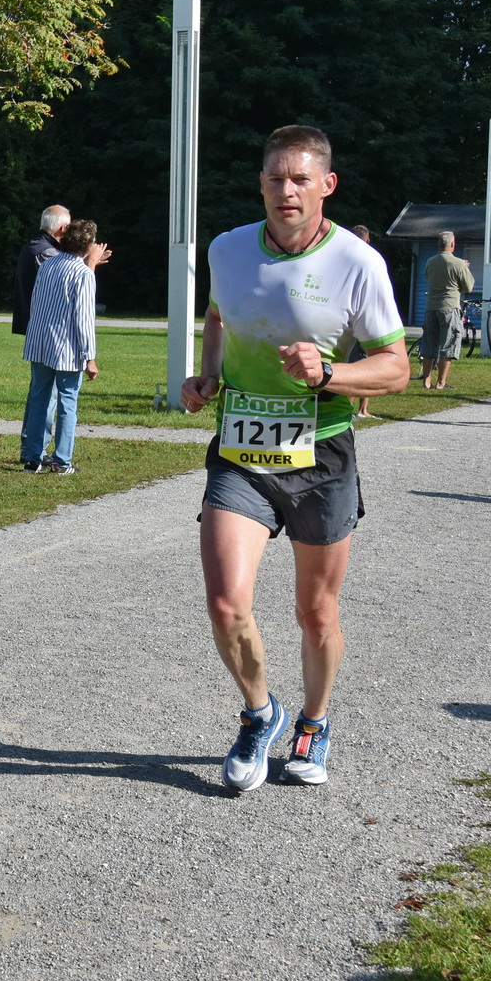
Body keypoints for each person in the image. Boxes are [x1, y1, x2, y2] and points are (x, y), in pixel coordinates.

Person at [180, 125, 409, 792]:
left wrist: (329, 373)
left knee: (317, 613)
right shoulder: (227, 249)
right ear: (261, 183)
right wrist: (209, 375)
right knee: (226, 603)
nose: (287, 190)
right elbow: (217, 315)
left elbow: (396, 368)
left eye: (301, 178)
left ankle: (314, 719)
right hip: (241, 451)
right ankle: (260, 713)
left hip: (321, 452)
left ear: (326, 185)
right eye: (276, 177)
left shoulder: (357, 263)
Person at [20, 219, 103, 474]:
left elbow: (37, 303)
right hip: (67, 348)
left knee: (39, 400)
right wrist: (90, 357)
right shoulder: (83, 274)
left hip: (39, 343)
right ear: (88, 245)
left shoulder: (47, 265)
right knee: (67, 403)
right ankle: (61, 461)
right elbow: (84, 320)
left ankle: (33, 458)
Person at [418, 231, 474, 391]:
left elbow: (429, 277)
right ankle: (441, 382)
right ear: (453, 244)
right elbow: (468, 287)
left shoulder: (430, 261)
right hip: (450, 307)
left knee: (429, 342)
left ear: (439, 244)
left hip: (431, 307)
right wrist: (464, 268)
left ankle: (426, 379)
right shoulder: (459, 263)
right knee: (448, 343)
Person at [13, 206, 69, 336]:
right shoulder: (47, 252)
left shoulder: (33, 245)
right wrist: (89, 262)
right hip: (46, 323)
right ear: (63, 228)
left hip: (34, 321)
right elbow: (66, 282)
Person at [350, 225, 378, 417]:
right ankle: (362, 409)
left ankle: (354, 409)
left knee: (349, 363)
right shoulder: (372, 259)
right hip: (366, 318)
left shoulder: (341, 257)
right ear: (368, 240)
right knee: (367, 364)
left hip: (345, 319)